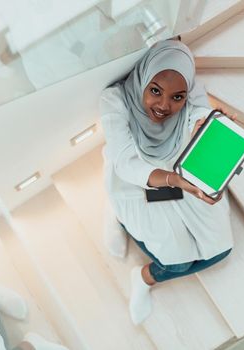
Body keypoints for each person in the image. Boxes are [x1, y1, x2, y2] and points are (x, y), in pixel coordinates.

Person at [100, 39, 234, 325]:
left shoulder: (192, 89)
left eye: (177, 98)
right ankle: (143, 275)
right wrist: (173, 179)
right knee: (178, 261)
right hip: (134, 183)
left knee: (221, 249)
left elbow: (197, 114)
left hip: (179, 175)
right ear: (144, 81)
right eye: (155, 91)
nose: (163, 106)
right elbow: (127, 163)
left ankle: (146, 266)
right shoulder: (114, 99)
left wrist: (206, 125)